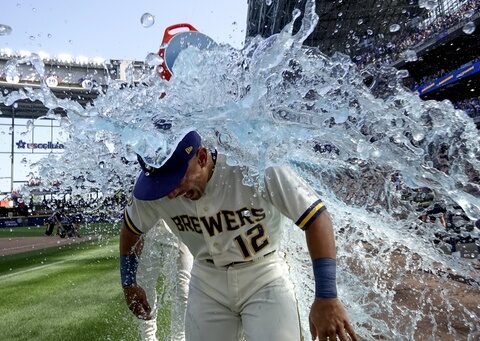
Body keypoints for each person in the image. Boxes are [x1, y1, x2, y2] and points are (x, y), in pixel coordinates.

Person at [120, 130, 357, 341]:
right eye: (161, 183)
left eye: (176, 179)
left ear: (202, 158)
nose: (170, 191)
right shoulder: (155, 190)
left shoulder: (252, 165)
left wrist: (326, 296)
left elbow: (317, 218)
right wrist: (128, 281)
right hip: (206, 280)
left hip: (264, 275)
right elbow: (131, 229)